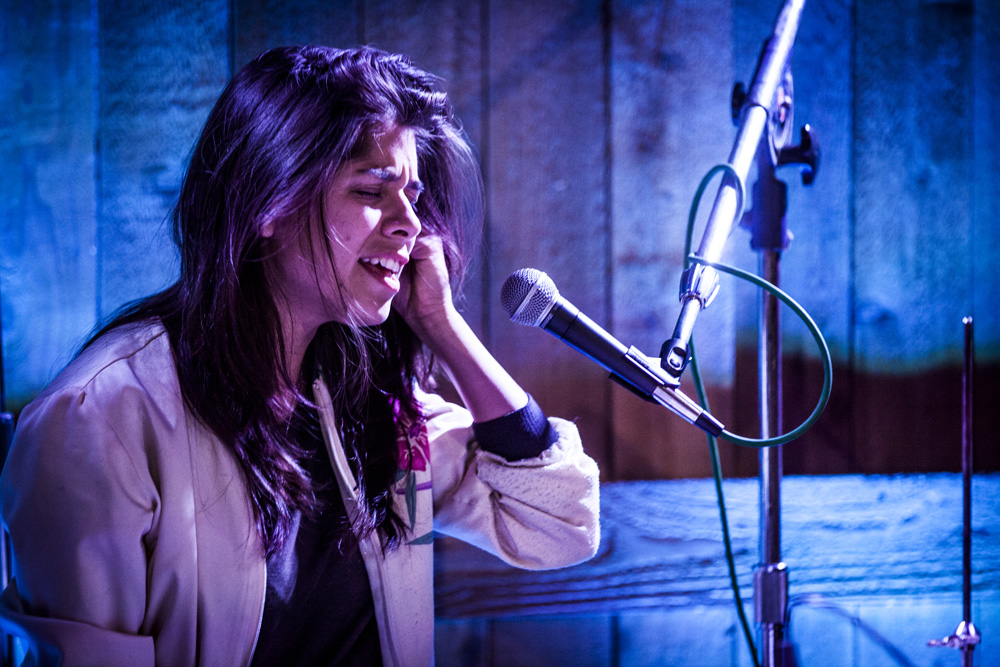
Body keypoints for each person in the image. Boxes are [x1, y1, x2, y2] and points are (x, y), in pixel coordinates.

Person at [0, 45, 600, 666]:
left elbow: (560, 525)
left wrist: (441, 327)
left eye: (413, 197)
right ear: (268, 203)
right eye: (372, 190)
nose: (411, 225)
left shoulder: (370, 404)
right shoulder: (102, 417)